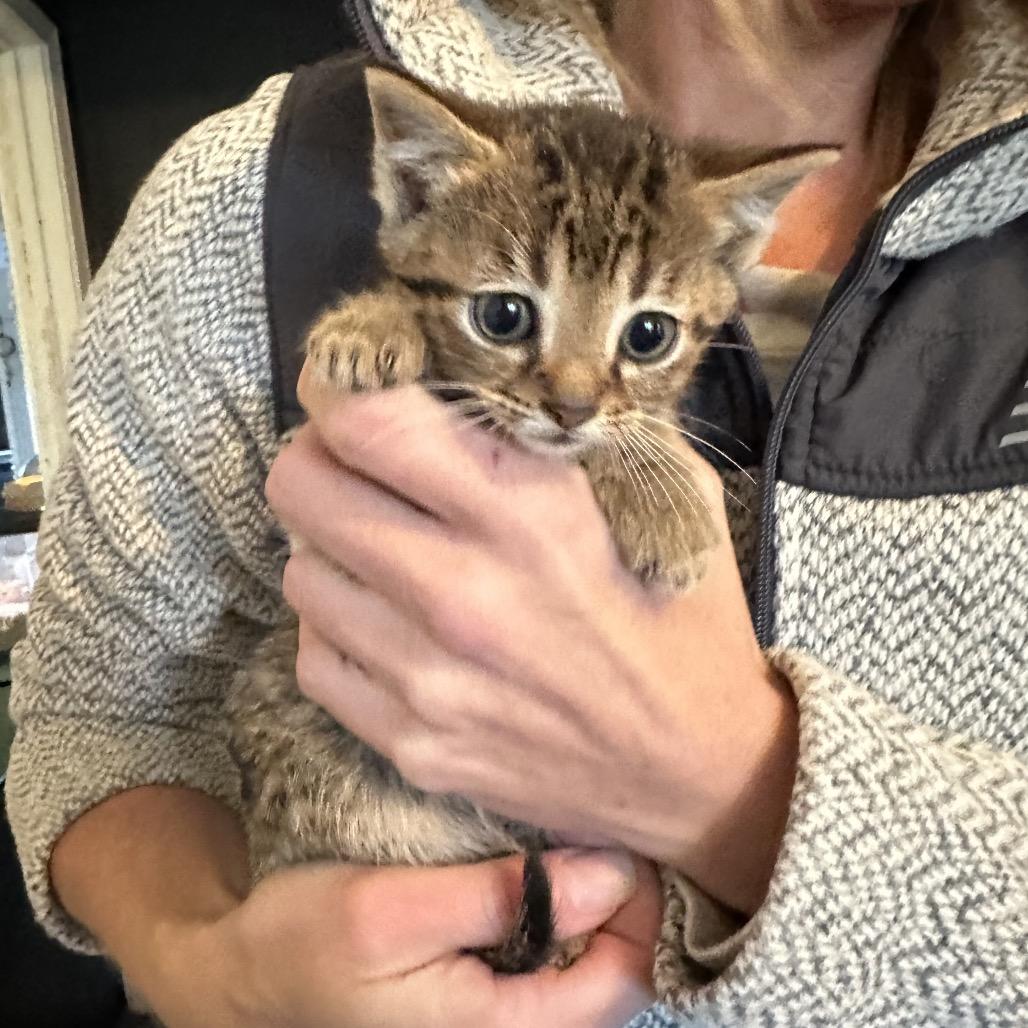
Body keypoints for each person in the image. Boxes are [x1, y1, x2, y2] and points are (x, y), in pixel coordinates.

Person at [7, 0, 1028, 1025]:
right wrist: (218, 977)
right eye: (506, 316)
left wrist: (736, 787)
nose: (574, 396)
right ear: (407, 186)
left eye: (645, 337)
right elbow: (101, 719)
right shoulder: (250, 191)